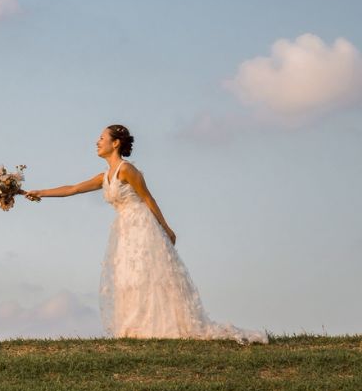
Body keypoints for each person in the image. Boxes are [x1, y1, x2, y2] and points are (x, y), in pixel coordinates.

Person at [24, 124, 267, 343]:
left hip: (141, 226)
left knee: (146, 275)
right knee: (127, 277)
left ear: (115, 143)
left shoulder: (127, 170)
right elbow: (74, 188)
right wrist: (39, 192)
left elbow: (148, 198)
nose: (97, 142)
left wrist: (166, 228)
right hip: (123, 229)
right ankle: (136, 329)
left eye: (101, 138)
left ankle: (160, 327)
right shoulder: (104, 176)